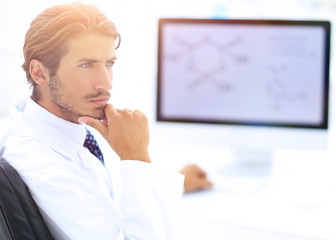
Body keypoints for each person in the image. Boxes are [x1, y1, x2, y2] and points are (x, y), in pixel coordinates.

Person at [0, 2, 212, 240]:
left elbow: (105, 199)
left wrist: (167, 183)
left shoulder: (75, 129)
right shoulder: (43, 168)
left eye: (109, 63)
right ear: (39, 73)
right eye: (85, 65)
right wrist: (136, 157)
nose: (106, 83)